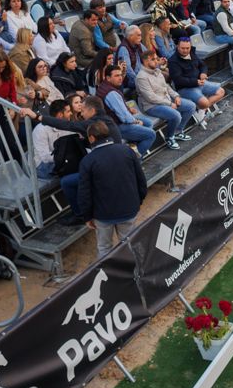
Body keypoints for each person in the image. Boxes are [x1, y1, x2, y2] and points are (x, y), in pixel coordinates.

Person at [75, 120, 147, 254]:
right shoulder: (127, 151)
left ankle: (109, 275)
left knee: (104, 248)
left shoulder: (88, 161)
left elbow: (84, 193)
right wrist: (138, 201)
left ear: (91, 138)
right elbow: (141, 179)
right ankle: (135, 273)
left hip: (103, 215)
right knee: (130, 244)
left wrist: (87, 216)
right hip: (128, 209)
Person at [135, 50, 195, 149]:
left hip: (165, 101)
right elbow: (151, 97)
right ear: (145, 61)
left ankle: (177, 131)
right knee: (176, 115)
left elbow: (166, 87)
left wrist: (176, 96)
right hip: (151, 106)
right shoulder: (141, 77)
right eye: (153, 59)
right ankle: (169, 137)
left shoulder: (157, 71)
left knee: (191, 106)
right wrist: (169, 104)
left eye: (156, 59)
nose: (156, 61)